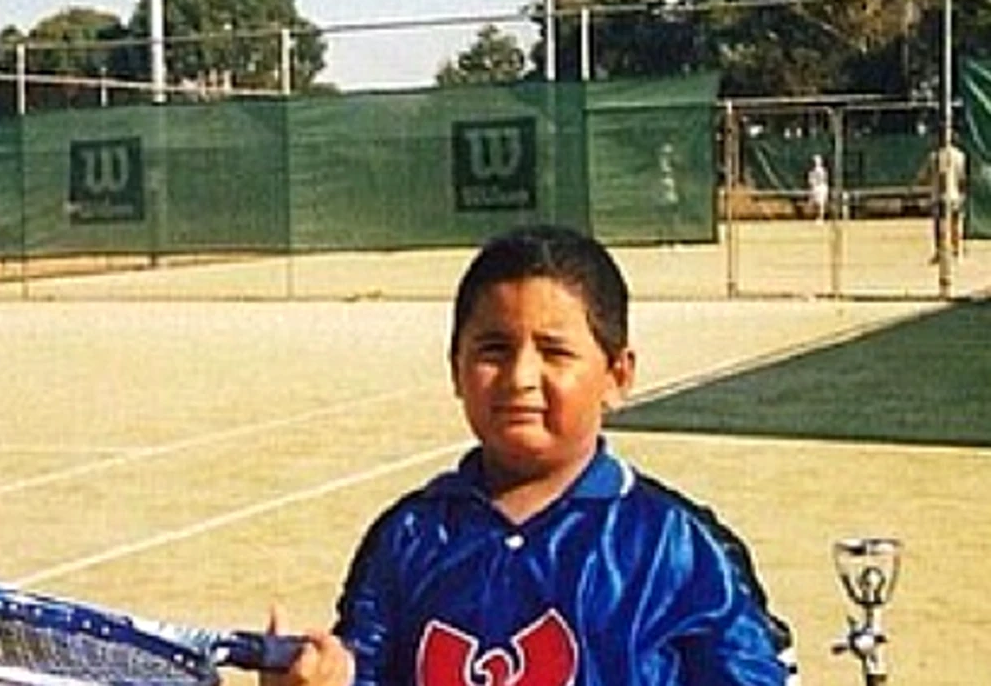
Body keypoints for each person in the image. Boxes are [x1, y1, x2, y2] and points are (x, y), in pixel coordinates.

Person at [266, 225, 794, 686]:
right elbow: (369, 668)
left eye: (555, 352)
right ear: (456, 369)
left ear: (618, 375)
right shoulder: (410, 536)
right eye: (493, 350)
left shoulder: (676, 548)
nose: (520, 378)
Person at [927, 136, 967, 264]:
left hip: (943, 196)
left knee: (940, 225)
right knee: (955, 224)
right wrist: (961, 194)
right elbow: (962, 178)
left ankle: (941, 252)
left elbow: (941, 176)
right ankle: (957, 251)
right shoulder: (960, 156)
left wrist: (941, 194)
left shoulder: (937, 156)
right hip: (954, 195)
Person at [807, 154, 829, 223]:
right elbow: (811, 180)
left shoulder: (820, 171)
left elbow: (823, 179)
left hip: (820, 187)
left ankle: (821, 218)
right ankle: (819, 217)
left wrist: (814, 183)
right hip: (818, 187)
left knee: (821, 204)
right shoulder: (815, 171)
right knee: (817, 203)